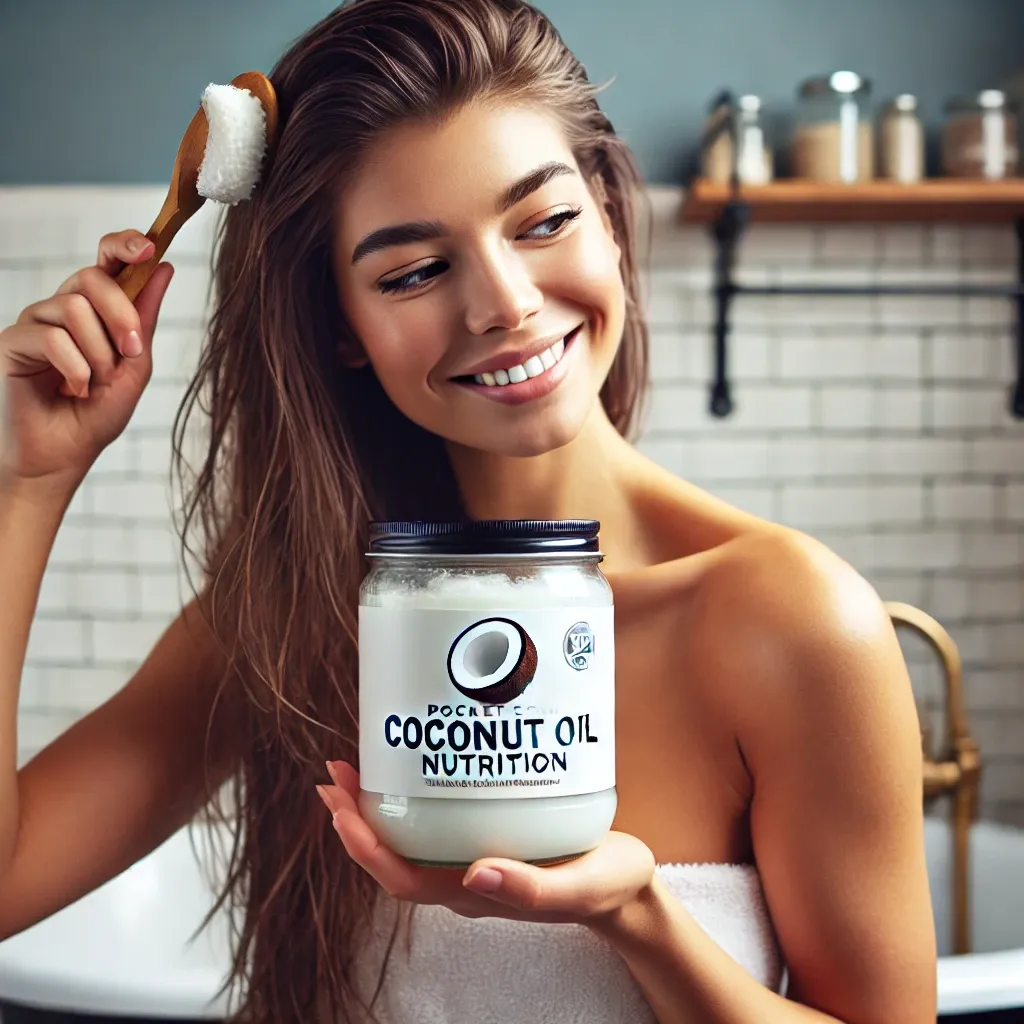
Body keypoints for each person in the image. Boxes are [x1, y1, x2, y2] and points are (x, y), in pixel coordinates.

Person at [0, 1, 936, 1021]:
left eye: (543, 222)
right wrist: (29, 482)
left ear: (612, 219)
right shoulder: (287, 612)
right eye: (413, 271)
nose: (504, 303)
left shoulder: (790, 622)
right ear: (343, 328)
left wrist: (636, 916)